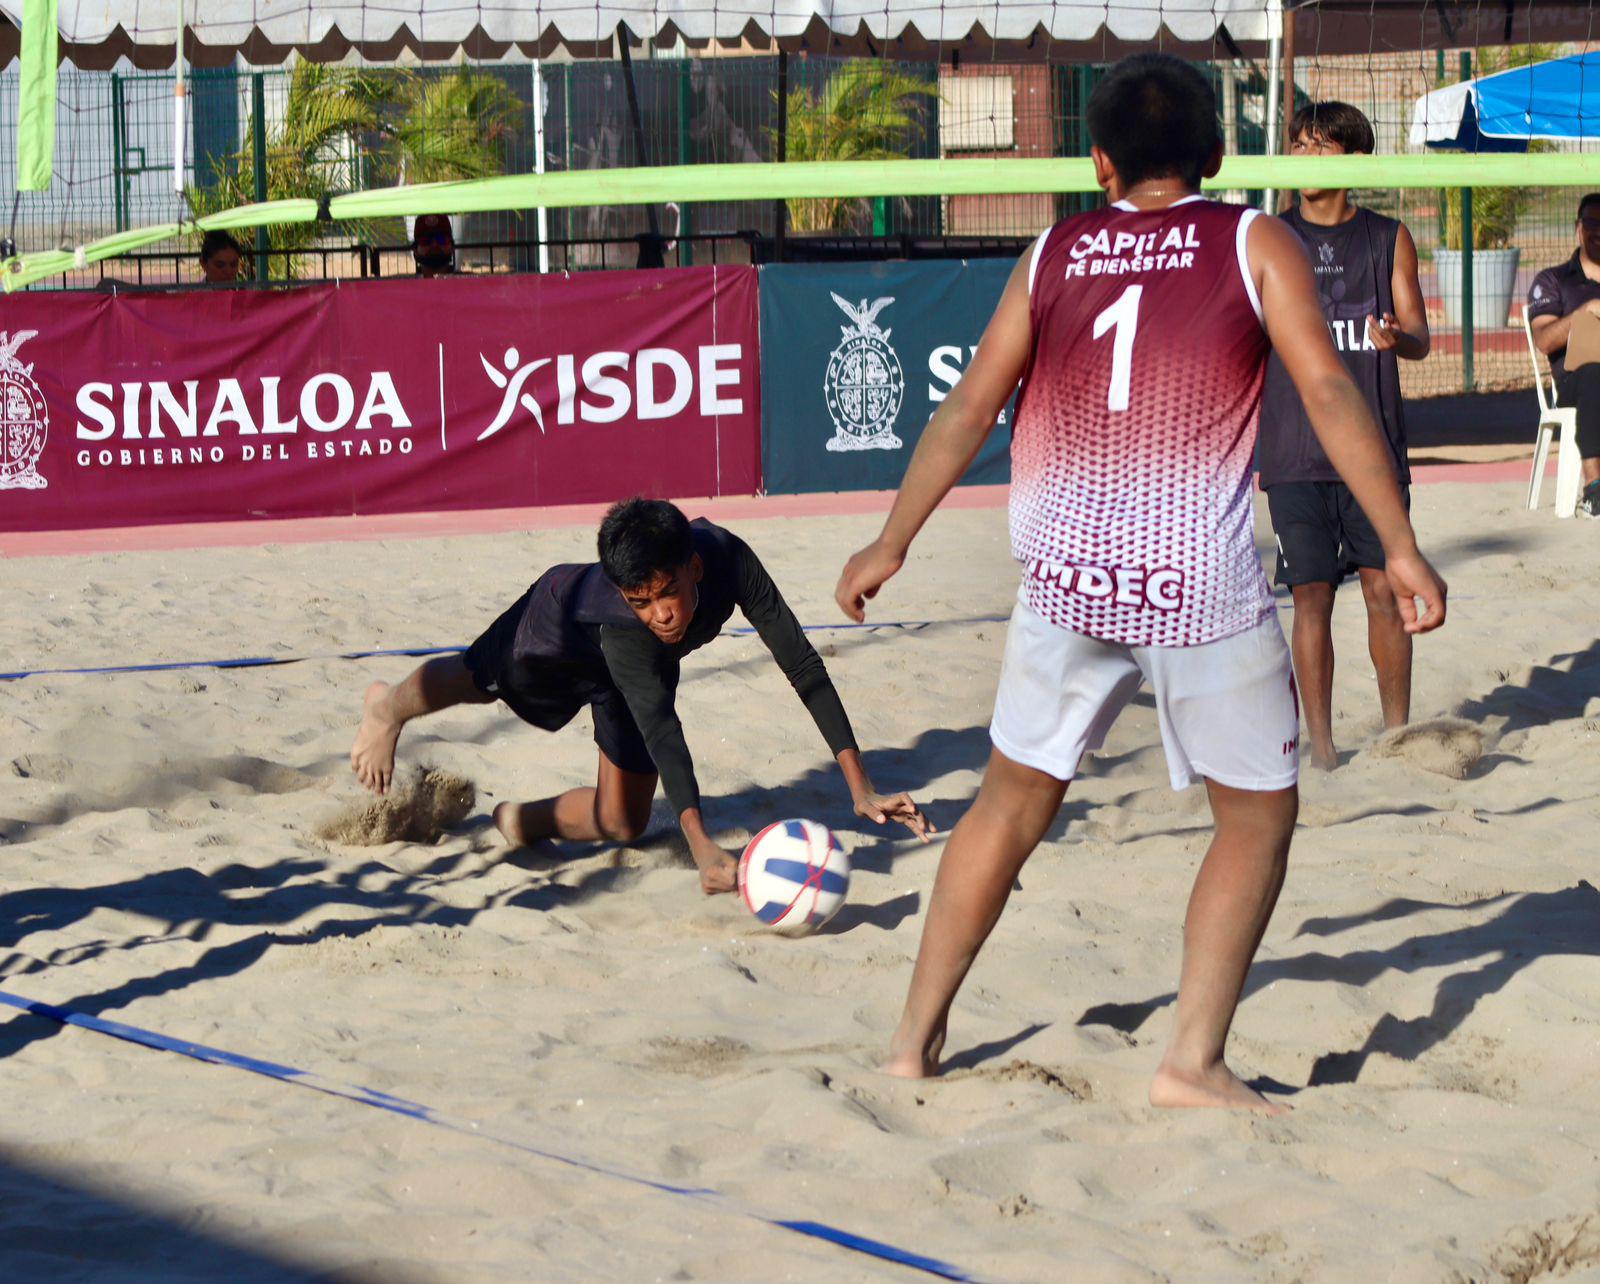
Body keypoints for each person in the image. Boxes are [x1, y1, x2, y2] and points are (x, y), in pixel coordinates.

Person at [836, 53, 1446, 1110]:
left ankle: (910, 1043)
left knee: (1008, 804)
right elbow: (1328, 391)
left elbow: (969, 406)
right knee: (1254, 818)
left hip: (1062, 574)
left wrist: (891, 541)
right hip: (1193, 581)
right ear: (1214, 154)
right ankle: (1189, 1063)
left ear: (1099, 161)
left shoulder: (1054, 248)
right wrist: (1396, 543)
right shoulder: (1251, 239)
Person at [352, 499, 932, 893]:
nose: (661, 614)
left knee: (625, 822)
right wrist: (702, 844)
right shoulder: (632, 627)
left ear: (695, 567)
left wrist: (861, 787)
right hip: (553, 638)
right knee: (477, 684)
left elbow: (801, 663)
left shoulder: (730, 560)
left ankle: (518, 820)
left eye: (668, 594)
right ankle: (388, 707)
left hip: (629, 671)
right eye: (642, 600)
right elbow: (662, 729)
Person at [1258, 102, 1431, 771]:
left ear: (1354, 159)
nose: (1302, 156)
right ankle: (1323, 749)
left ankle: (1396, 736)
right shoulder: (1270, 237)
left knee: (1386, 590)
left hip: (1375, 451)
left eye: (1317, 145)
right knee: (1311, 597)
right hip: (1295, 449)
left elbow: (1418, 334)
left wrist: (1400, 338)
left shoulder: (1387, 237)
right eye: (1294, 143)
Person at [1527, 192, 1600, 518]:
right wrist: (1585, 313)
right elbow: (1543, 340)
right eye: (1592, 223)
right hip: (1575, 383)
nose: (1599, 230)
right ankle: (1595, 488)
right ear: (1577, 228)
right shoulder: (1554, 280)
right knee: (1593, 372)